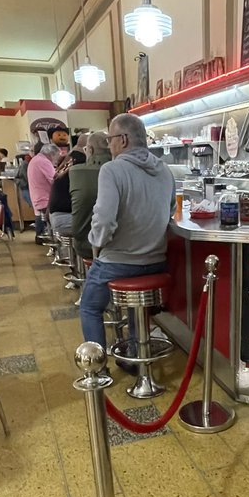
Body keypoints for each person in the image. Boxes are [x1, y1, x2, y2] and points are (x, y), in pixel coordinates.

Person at [79, 114, 174, 355]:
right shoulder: (165, 170)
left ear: (122, 139)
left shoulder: (112, 169)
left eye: (110, 139)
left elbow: (104, 219)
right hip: (157, 262)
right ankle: (134, 353)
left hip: (119, 262)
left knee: (89, 307)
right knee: (136, 306)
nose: (109, 145)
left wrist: (96, 245)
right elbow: (171, 209)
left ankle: (97, 369)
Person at [70, 131, 112, 263]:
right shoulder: (121, 171)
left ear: (90, 150)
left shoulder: (76, 171)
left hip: (85, 243)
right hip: (123, 245)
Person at [48, 148, 87, 240]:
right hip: (64, 218)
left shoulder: (61, 174)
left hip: (55, 216)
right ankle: (83, 253)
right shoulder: (76, 175)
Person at [27, 141, 61, 241]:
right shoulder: (44, 162)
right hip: (45, 199)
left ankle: (44, 236)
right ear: (52, 154)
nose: (57, 160)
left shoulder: (36, 159)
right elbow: (54, 180)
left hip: (38, 198)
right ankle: (56, 239)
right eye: (57, 156)